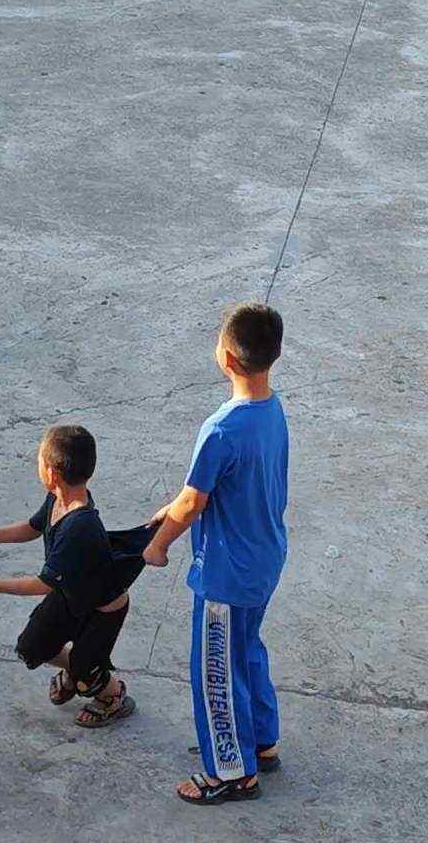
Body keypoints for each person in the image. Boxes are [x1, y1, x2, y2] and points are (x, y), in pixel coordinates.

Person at [141, 304, 291, 804]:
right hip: (265, 558)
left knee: (216, 671)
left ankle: (231, 770)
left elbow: (193, 502)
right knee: (247, 651)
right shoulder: (271, 410)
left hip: (227, 572)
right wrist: (181, 502)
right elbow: (218, 487)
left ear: (225, 357)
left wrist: (159, 545)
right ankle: (263, 742)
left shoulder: (221, 428)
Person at [0, 424, 150, 729]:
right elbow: (33, 527)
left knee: (87, 672)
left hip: (102, 609)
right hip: (71, 594)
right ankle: (77, 672)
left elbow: (41, 584)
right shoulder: (56, 499)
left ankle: (111, 695)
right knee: (32, 647)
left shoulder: (80, 525)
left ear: (51, 472)